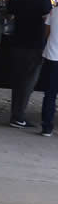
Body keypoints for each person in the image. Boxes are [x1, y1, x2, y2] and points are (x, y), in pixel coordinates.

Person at [5, 0, 50, 128]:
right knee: (28, 82)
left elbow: (9, 18)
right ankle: (18, 117)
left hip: (17, 44)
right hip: (35, 46)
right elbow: (47, 22)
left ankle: (15, 114)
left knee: (17, 80)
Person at [41, 10, 58, 138]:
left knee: (50, 93)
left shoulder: (55, 11)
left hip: (52, 55)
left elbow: (46, 32)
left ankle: (47, 127)